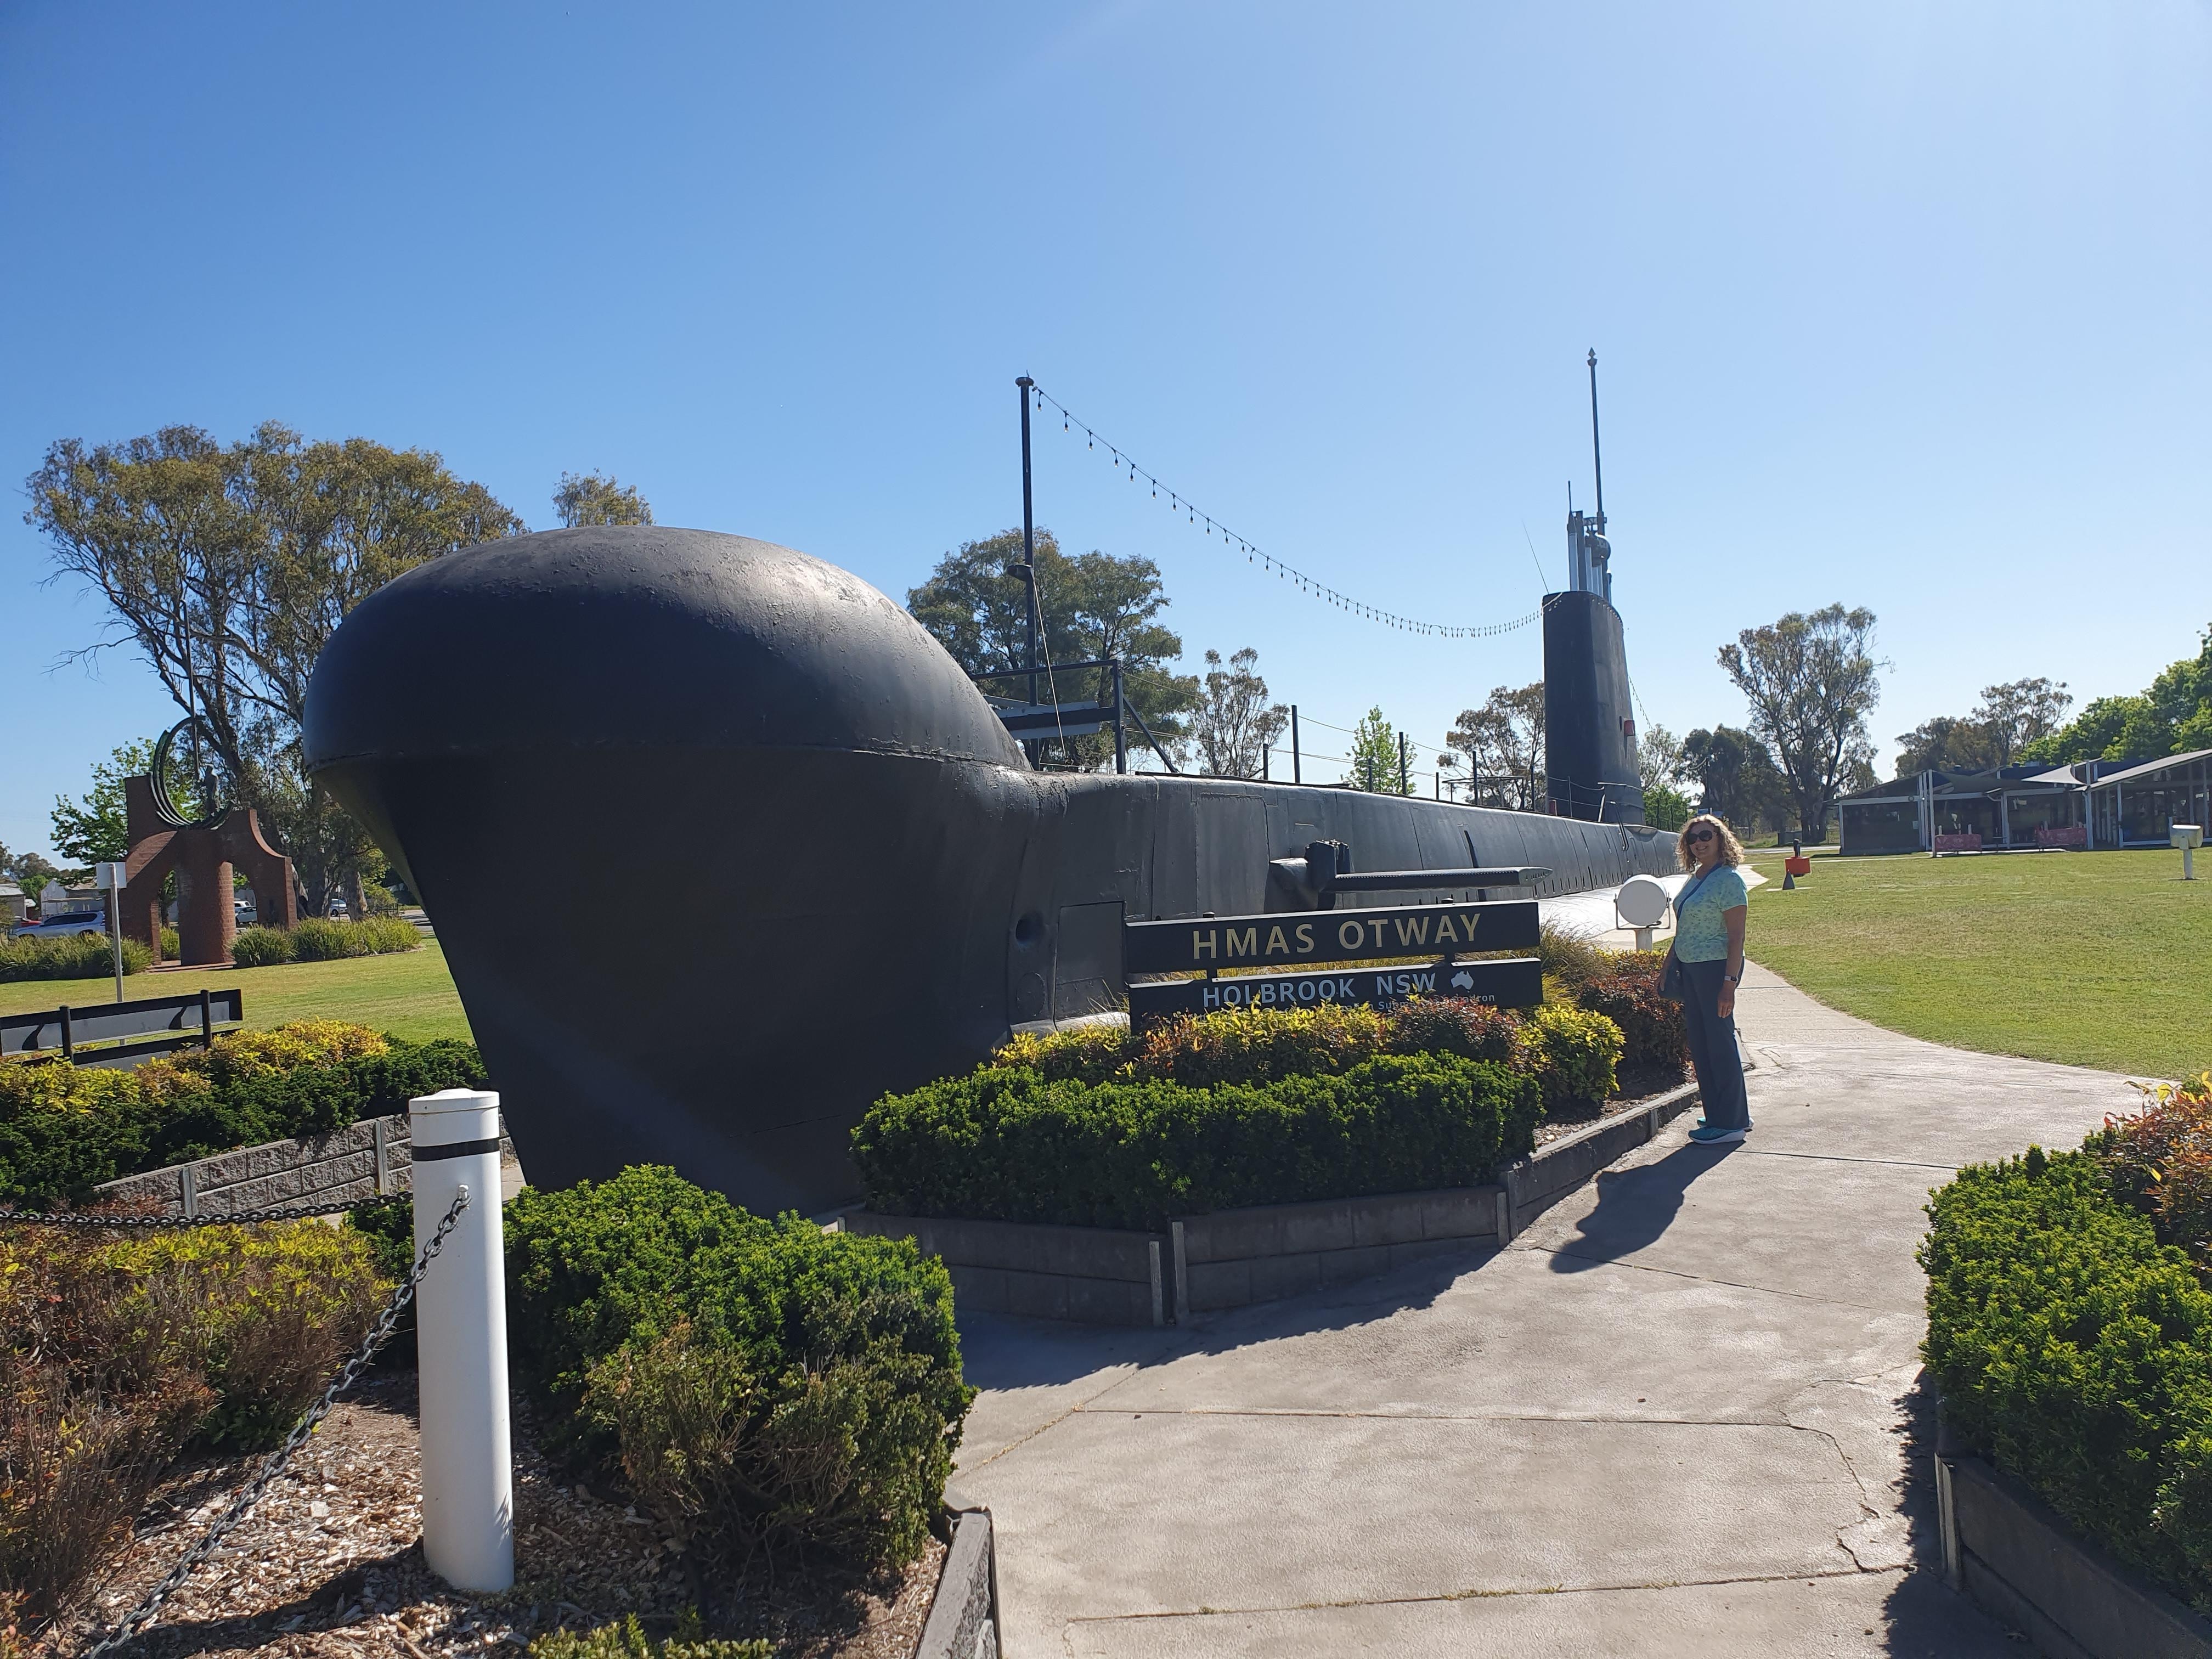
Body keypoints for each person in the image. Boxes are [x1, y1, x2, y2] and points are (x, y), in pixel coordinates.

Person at [1669, 814, 1752, 1145]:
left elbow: (1736, 937)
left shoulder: (1729, 880)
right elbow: (1685, 927)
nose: (1699, 843)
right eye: (1692, 838)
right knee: (1702, 1045)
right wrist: (1668, 965)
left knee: (1719, 1043)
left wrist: (1729, 984)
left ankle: (1732, 1123)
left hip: (1715, 970)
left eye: (1706, 836)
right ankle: (1719, 1113)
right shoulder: (1696, 877)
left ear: (1721, 839)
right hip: (1691, 969)